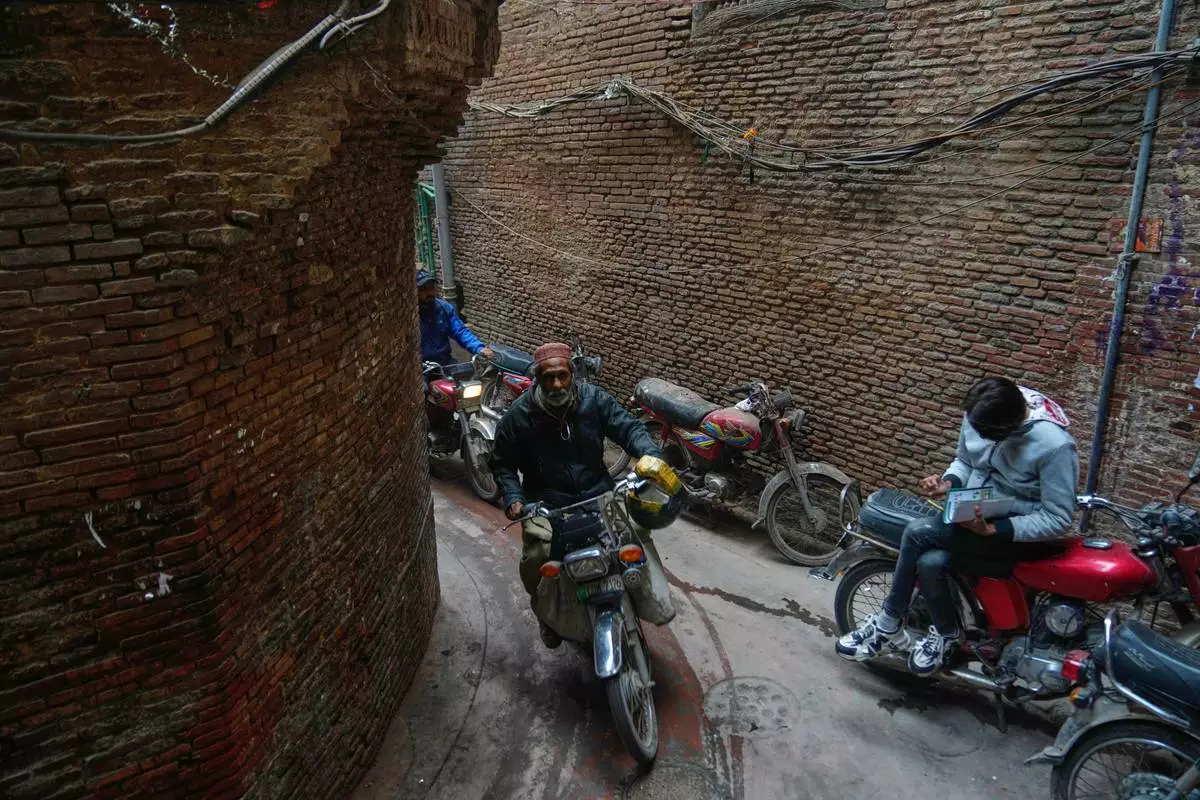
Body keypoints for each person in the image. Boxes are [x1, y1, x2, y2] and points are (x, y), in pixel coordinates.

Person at [836, 377, 1079, 676]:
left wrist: (996, 530)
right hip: (971, 516)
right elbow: (965, 462)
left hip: (1013, 535)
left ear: (1008, 427)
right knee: (930, 562)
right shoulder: (980, 414)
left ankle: (888, 623)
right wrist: (948, 483)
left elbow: (1058, 518)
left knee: (917, 533)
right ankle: (949, 634)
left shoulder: (1055, 446)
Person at [492, 342, 664, 648]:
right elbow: (502, 463)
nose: (557, 384)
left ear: (572, 375)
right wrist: (514, 498)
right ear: (538, 379)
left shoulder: (594, 400)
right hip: (547, 504)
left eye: (563, 375)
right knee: (537, 557)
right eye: (549, 378)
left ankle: (648, 597)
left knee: (636, 533)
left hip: (599, 494)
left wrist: (650, 457)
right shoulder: (518, 416)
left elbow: (629, 428)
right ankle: (547, 615)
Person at [416, 270, 493, 366]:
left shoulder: (443, 308)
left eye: (431, 288)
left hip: (444, 362)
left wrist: (479, 348)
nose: (429, 293)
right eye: (424, 289)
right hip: (422, 367)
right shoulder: (412, 315)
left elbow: (460, 331)